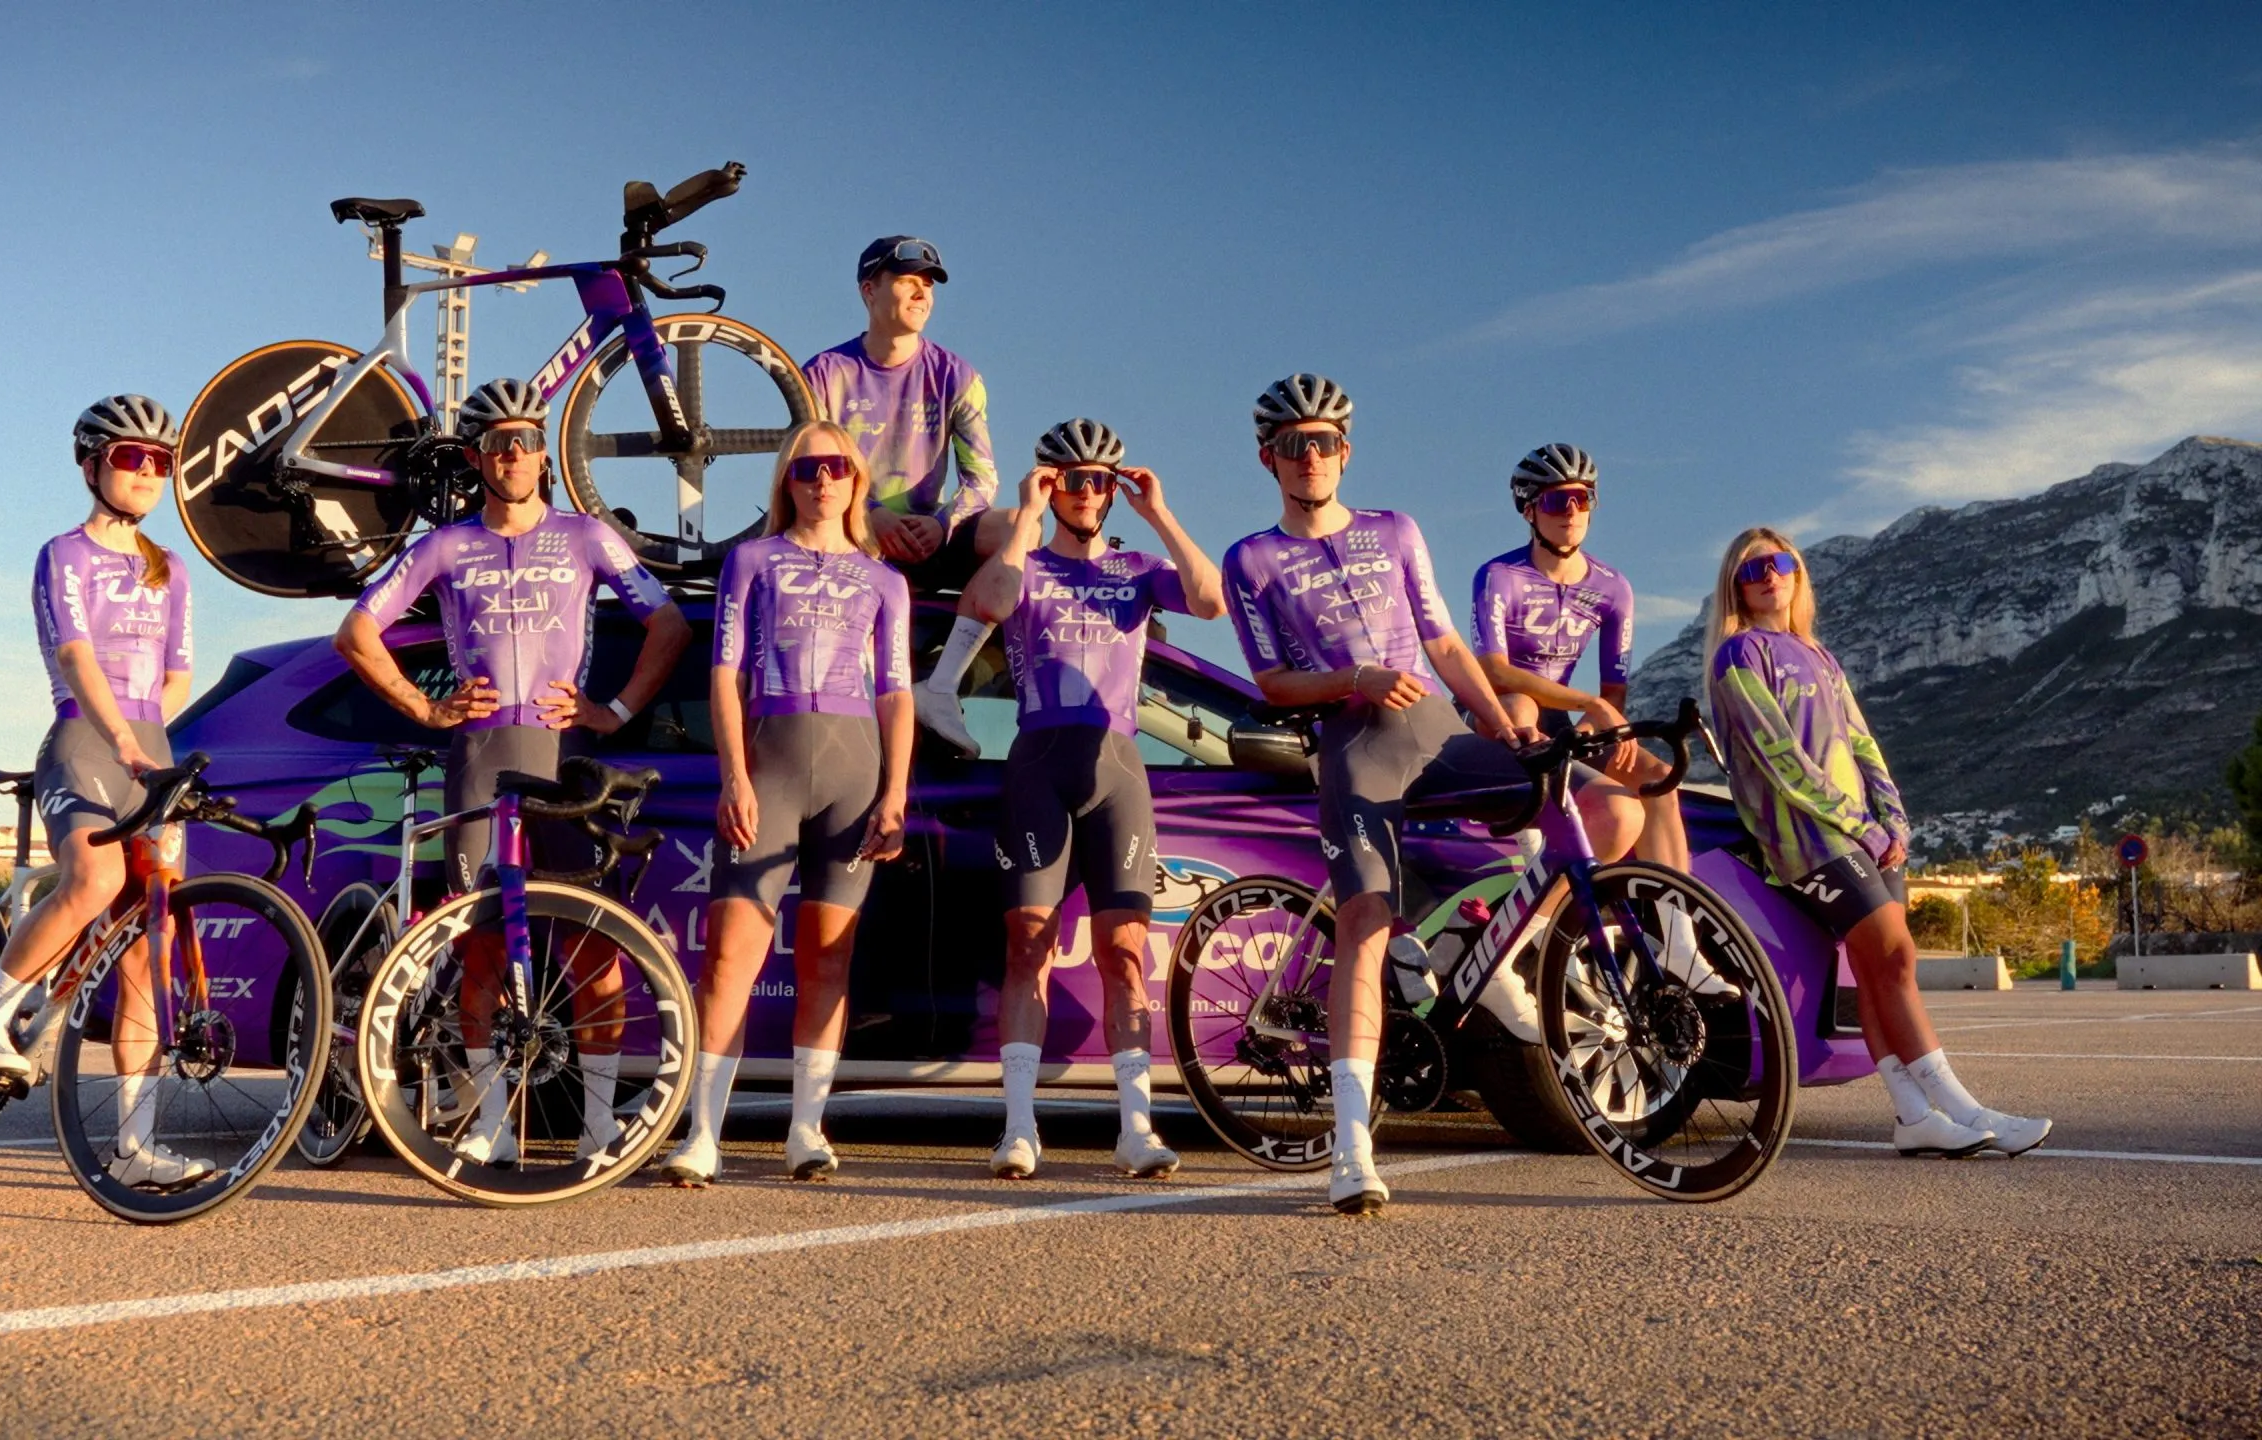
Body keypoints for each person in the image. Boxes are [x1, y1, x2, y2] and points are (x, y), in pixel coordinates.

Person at [1223, 374, 1647, 1216]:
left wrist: (1503, 725)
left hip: (1440, 734)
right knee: (1365, 924)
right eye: (1294, 445)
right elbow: (1271, 681)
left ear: (1345, 452)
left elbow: (1445, 644)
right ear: (1269, 458)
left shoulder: (1396, 530)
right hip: (1357, 748)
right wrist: (1356, 679)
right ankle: (1352, 1148)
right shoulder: (1252, 558)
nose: (1311, 457)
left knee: (1611, 807)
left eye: (1325, 442)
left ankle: (1498, 956)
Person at [335, 378, 691, 1166]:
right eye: (498, 443)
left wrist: (616, 710)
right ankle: (491, 1120)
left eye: (528, 440)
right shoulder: (444, 546)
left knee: (592, 944)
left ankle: (598, 1123)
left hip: (565, 756)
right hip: (480, 756)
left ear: (543, 454)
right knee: (483, 945)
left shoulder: (588, 537)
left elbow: (667, 624)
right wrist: (424, 708)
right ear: (476, 458)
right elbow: (355, 633)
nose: (515, 454)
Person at [1706, 528, 2050, 1157]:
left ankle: (1913, 1116)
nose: (1768, 575)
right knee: (1895, 956)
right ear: (1736, 585)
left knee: (1874, 969)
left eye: (1779, 563)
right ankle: (1965, 1108)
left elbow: (1861, 741)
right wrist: (1858, 824)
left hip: (1864, 833)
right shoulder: (1739, 656)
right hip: (1808, 838)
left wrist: (1894, 820)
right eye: (1752, 569)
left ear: (1797, 573)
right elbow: (1779, 758)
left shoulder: (1818, 654)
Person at [0, 395, 205, 1189]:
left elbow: (178, 674)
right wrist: (121, 740)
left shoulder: (172, 569)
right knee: (93, 879)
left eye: (161, 461)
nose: (149, 473)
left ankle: (135, 1147)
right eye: (132, 458)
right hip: (84, 741)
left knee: (146, 947)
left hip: (149, 752)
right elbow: (75, 657)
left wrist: (147, 742)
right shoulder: (64, 554)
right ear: (91, 464)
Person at [967, 419, 1227, 1181]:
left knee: (1124, 952)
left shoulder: (1139, 568)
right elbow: (988, 603)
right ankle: (1019, 1129)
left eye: (1099, 480)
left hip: (1117, 767)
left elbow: (1210, 601)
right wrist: (1025, 513)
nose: (1087, 492)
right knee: (1029, 946)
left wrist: (1159, 513)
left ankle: (1136, 1129)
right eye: (1072, 480)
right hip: (1038, 761)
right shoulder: (1028, 563)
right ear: (1052, 485)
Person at [658, 420, 914, 1186]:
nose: (821, 479)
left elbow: (896, 692)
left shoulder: (884, 580)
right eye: (806, 468)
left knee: (828, 959)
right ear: (786, 482)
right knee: (729, 956)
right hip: (768, 765)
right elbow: (724, 675)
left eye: (835, 466)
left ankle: (807, 1129)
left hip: (853, 770)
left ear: (855, 479)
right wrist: (734, 774)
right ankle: (703, 1134)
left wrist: (896, 791)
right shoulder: (753, 561)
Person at [1471, 444, 1727, 994]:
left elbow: (1614, 696)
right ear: (1528, 509)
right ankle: (1535, 865)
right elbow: (1492, 669)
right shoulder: (1499, 575)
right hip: (1495, 712)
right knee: (1521, 705)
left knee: (1658, 780)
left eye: (1582, 498)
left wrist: (1588, 728)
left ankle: (1680, 944)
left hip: (1564, 715)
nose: (1570, 510)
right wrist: (1584, 705)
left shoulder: (1612, 588)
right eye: (1556, 500)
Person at [801, 236, 1009, 758]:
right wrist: (867, 514)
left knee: (1015, 528)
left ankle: (940, 687)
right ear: (869, 290)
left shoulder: (958, 376)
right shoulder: (824, 373)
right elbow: (805, 469)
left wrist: (942, 523)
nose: (922, 294)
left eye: (929, 285)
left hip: (928, 535)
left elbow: (983, 478)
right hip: (852, 537)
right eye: (907, 281)